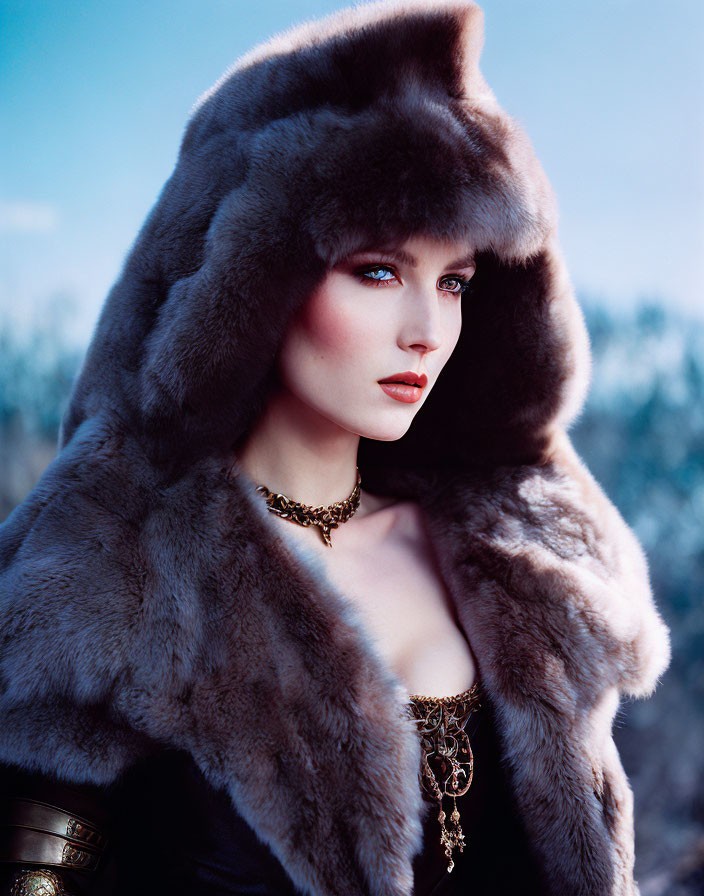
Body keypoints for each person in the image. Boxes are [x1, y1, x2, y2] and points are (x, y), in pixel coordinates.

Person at [0, 1, 671, 894]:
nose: (427, 329)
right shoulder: (115, 577)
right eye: (379, 272)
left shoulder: (525, 556)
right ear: (252, 278)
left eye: (456, 281)